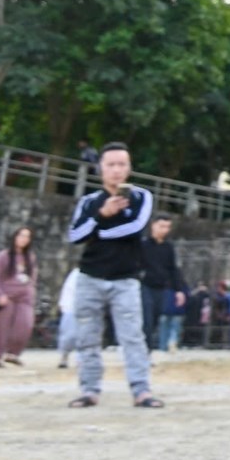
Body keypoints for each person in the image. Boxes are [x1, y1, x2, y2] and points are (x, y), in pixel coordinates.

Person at [65, 143, 161, 408]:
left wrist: (96, 232)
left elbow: (135, 227)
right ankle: (89, 389)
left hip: (125, 277)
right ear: (101, 169)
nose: (117, 170)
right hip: (90, 275)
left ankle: (141, 390)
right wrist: (101, 215)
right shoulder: (88, 202)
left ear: (129, 168)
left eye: (122, 164)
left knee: (132, 336)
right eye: (111, 165)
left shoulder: (141, 196)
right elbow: (74, 236)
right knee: (87, 336)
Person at [0, 225, 38, 365]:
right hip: (6, 295)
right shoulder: (2, 256)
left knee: (25, 324)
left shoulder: (30, 257)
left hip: (24, 297)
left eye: (27, 237)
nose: (24, 239)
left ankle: (13, 353)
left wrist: (31, 292)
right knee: (1, 327)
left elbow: (32, 278)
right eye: (21, 235)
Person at [140, 215, 187, 354]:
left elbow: (173, 269)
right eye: (162, 226)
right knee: (146, 320)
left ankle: (146, 352)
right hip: (144, 286)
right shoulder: (143, 245)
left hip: (160, 288)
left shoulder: (168, 248)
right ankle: (144, 353)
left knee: (154, 319)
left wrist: (178, 290)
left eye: (167, 227)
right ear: (153, 225)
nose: (165, 230)